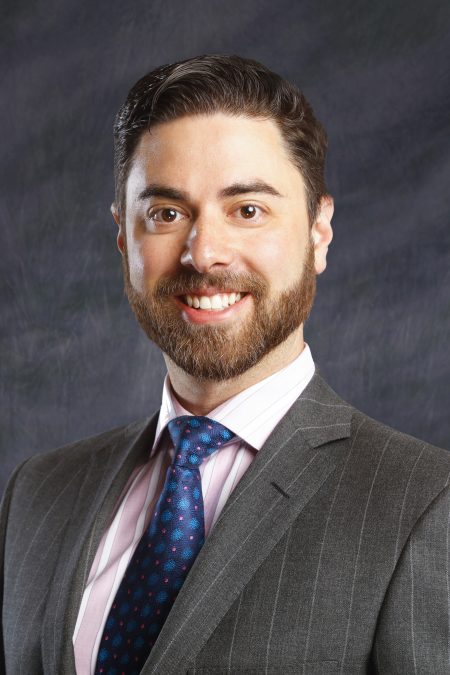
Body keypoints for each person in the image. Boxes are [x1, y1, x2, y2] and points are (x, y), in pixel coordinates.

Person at [1, 54, 449, 675]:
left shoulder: (426, 505)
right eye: (166, 213)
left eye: (248, 210)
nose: (204, 253)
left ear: (318, 232)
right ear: (123, 236)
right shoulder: (36, 496)